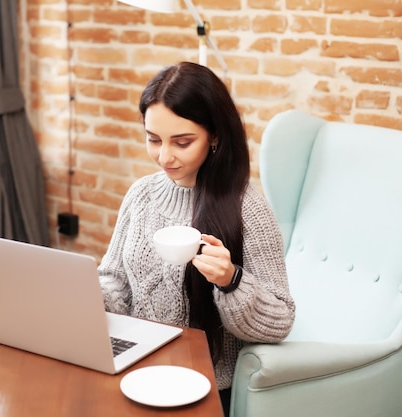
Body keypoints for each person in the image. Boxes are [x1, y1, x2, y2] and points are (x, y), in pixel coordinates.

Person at [98, 61, 295, 414]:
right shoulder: (140, 194)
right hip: (135, 366)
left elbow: (280, 320)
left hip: (202, 385)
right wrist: (84, 296)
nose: (164, 156)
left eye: (182, 142)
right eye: (153, 139)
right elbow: (115, 283)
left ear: (214, 136)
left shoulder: (247, 208)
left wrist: (231, 281)